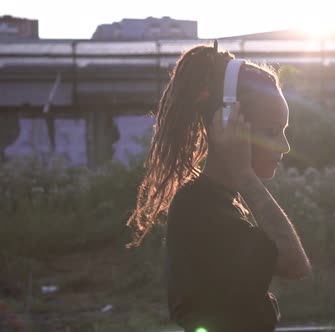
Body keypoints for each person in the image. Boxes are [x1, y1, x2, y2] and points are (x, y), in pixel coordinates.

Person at [126, 41, 311, 332]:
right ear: (228, 124)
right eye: (272, 132)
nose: (285, 146)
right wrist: (244, 174)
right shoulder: (200, 209)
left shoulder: (218, 200)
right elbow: (294, 264)